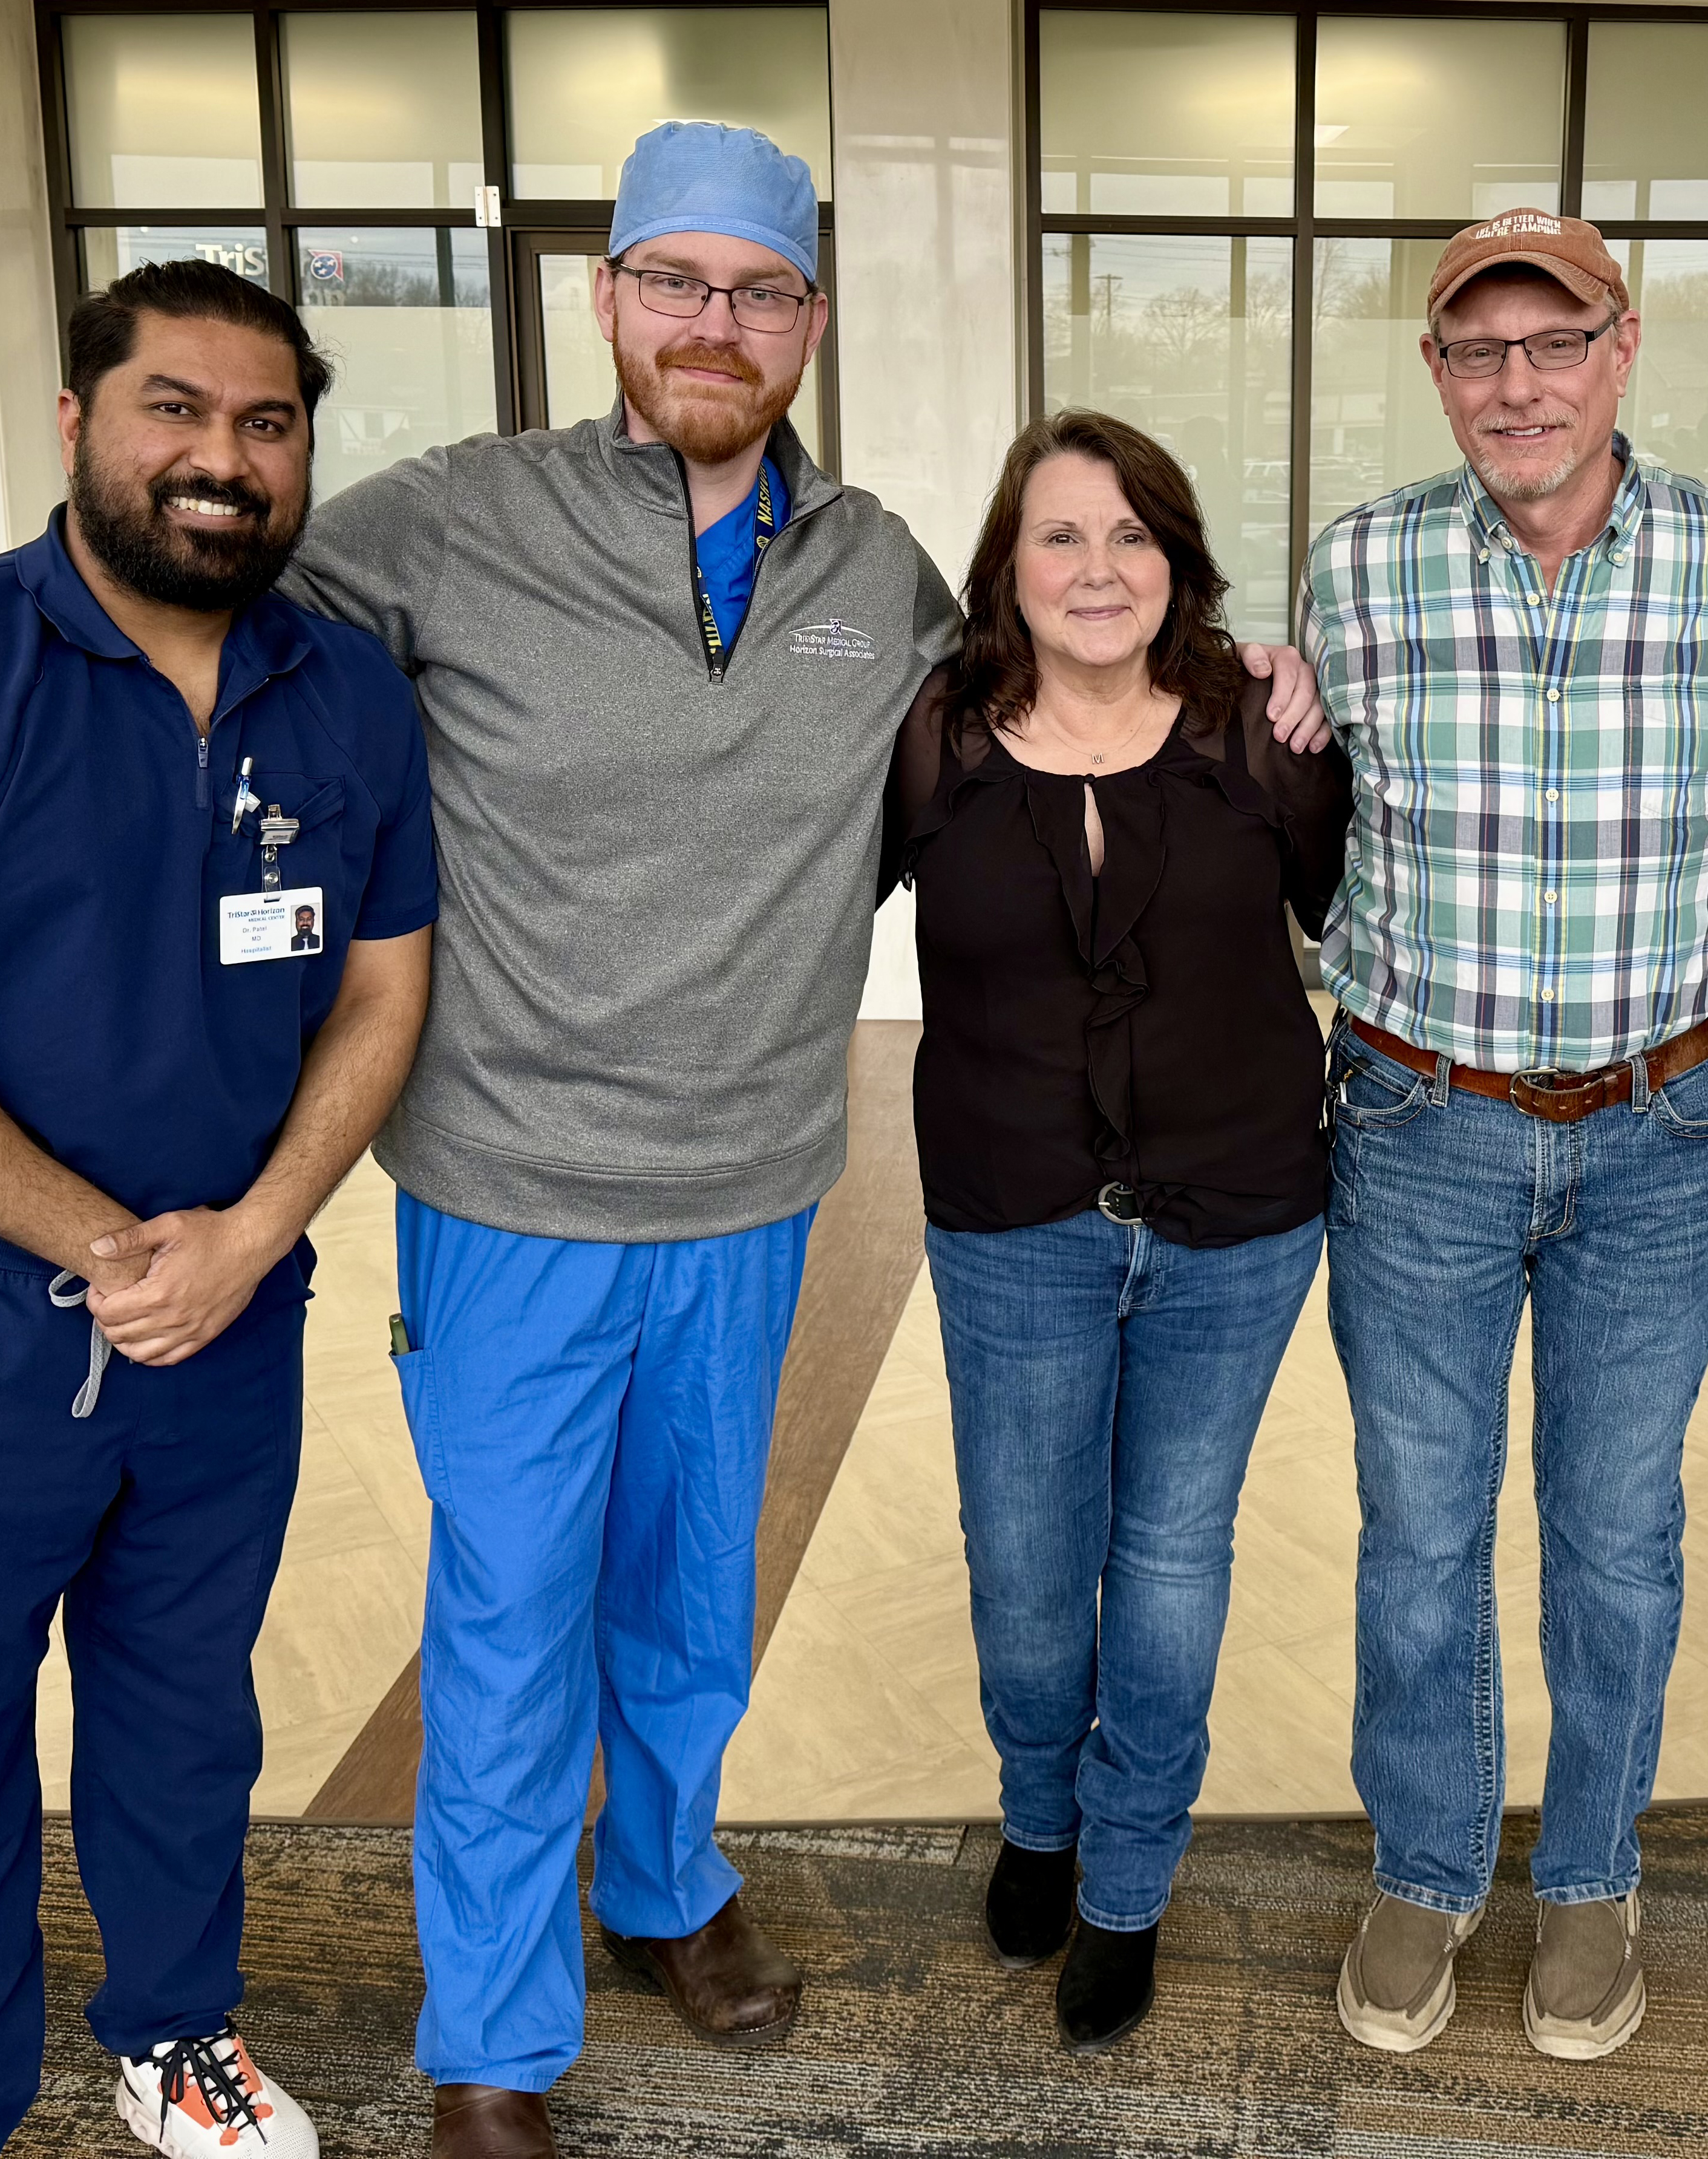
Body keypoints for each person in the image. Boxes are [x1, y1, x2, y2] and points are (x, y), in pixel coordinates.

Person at [277, 120, 1323, 2159]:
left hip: (756, 1188)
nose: (713, 325)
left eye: (757, 293)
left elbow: (1043, 699)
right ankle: (493, 2038)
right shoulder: (449, 520)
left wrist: (1241, 668)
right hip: (511, 1190)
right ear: (607, 300)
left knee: (688, 1590)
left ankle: (663, 1882)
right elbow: (230, 624)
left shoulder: (877, 575)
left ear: (810, 324)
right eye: (673, 281)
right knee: (510, 1610)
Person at [1301, 211, 1708, 2063]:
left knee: (1613, 1531)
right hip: (1421, 1120)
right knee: (1420, 1533)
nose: (1517, 382)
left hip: (1661, 1128)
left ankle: (1589, 1869)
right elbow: (1297, 800)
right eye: (1476, 350)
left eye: (1554, 341)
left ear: (1623, 349)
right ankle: (1429, 1861)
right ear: (1436, 372)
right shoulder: (1358, 571)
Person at [0, 261, 436, 2159]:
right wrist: (108, 1247)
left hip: (233, 1323)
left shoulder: (337, 687)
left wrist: (248, 1234)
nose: (222, 460)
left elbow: (385, 986)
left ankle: (175, 2028)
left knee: (185, 1711)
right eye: (175, 407)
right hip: (19, 1320)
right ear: (80, 419)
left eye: (266, 425)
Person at [882, 410, 1346, 2055]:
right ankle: (1039, 1809)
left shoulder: (1258, 732)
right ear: (1009, 563)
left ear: (1179, 562)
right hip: (1011, 1219)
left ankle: (1129, 1875)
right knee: (1023, 1563)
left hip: (1235, 1222)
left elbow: (1348, 901)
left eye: (1132, 535)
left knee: (1165, 1563)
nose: (1099, 569)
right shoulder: (939, 730)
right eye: (1062, 535)